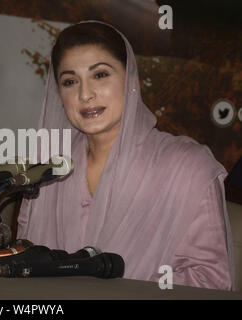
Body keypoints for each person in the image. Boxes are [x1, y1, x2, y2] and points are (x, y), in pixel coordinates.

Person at [17, 21, 234, 290]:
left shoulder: (187, 166)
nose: (85, 94)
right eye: (70, 81)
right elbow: (23, 263)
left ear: (131, 80)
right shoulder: (47, 169)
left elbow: (208, 279)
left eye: (100, 75)